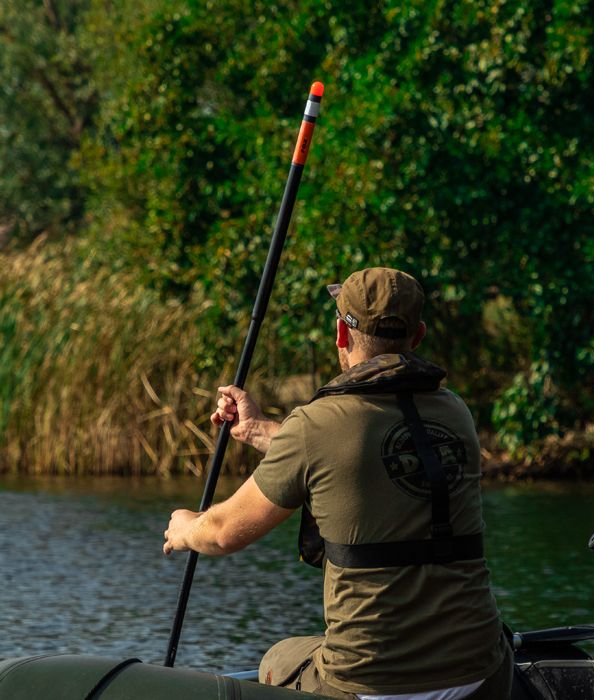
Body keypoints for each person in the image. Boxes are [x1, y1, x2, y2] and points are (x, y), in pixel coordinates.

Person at [163, 267, 512, 699]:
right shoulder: (455, 413)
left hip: (367, 681)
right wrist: (257, 431)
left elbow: (222, 533)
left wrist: (185, 528)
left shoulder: (315, 426)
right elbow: (358, 455)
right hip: (482, 673)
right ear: (418, 336)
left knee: (277, 658)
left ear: (341, 335)